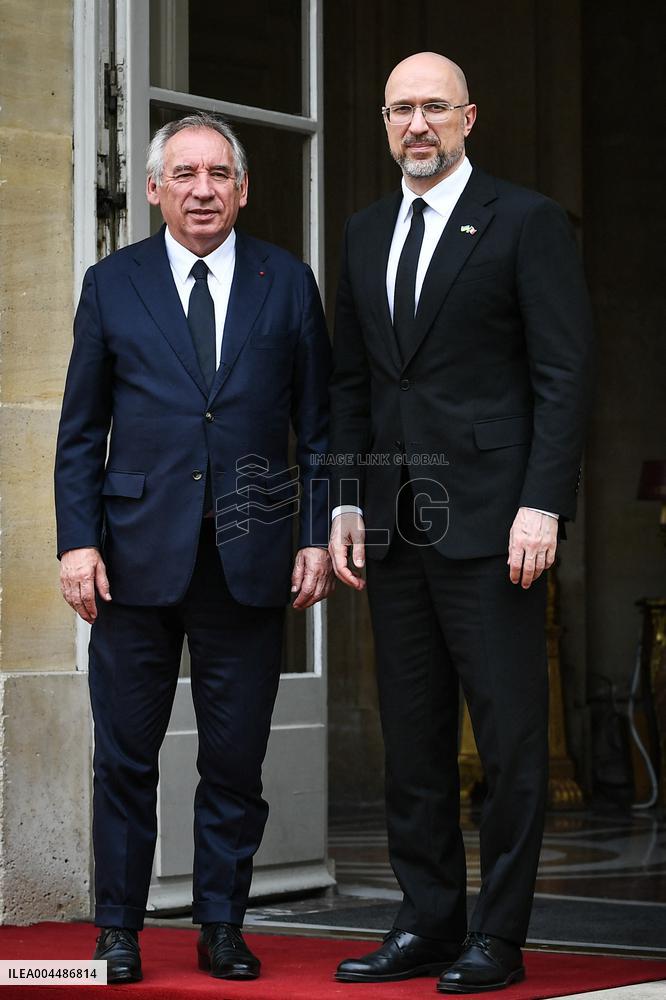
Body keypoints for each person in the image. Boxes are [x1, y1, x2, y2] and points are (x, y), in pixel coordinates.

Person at [329, 52, 593, 994]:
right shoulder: (362, 234)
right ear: (385, 122)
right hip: (397, 525)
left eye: (435, 107)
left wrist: (543, 502)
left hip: (497, 525)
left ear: (469, 118)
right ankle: (428, 922)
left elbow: (564, 376)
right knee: (413, 740)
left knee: (515, 742)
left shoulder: (525, 223)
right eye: (401, 109)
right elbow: (352, 384)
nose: (417, 125)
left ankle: (500, 936)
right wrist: (346, 501)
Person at [55, 112, 333, 984]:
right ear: (153, 189)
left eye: (219, 174)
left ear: (243, 188)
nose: (203, 189)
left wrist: (317, 535)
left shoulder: (286, 283)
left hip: (250, 559)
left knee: (234, 759)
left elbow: (319, 432)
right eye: (185, 174)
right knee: (127, 757)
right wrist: (76, 544)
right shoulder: (112, 283)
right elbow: (79, 432)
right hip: (133, 562)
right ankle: (118, 930)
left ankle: (221, 923)